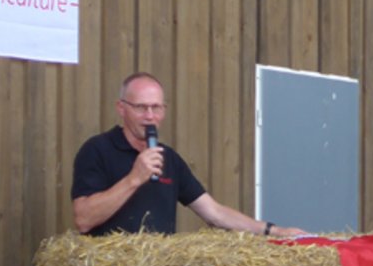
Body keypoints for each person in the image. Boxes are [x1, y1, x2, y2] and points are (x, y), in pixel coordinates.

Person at [72, 73, 304, 237]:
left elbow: (214, 213)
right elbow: (83, 220)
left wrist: (272, 231)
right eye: (141, 108)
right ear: (121, 108)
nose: (150, 116)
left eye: (156, 108)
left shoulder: (169, 159)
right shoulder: (97, 150)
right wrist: (134, 179)